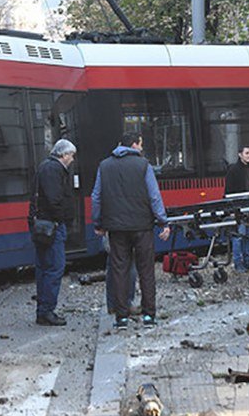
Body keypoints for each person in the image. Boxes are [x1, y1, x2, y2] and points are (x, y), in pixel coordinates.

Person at [92, 132, 171, 330]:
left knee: (119, 270)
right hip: (142, 227)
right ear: (134, 145)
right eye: (141, 144)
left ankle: (121, 318)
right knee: (146, 270)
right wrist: (163, 222)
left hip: (116, 229)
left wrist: (98, 223)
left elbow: (96, 197)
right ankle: (148, 316)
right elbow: (154, 196)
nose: (142, 148)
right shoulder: (143, 165)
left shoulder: (104, 165)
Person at [29, 139, 76, 327]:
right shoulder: (54, 170)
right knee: (55, 267)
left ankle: (43, 309)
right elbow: (55, 199)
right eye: (71, 156)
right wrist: (62, 219)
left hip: (43, 224)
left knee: (44, 267)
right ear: (64, 155)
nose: (72, 160)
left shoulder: (45, 167)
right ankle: (47, 310)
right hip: (52, 225)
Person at [224, 145, 249, 272]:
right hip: (239, 207)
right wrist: (232, 210)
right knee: (239, 235)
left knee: (248, 235)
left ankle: (247, 261)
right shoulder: (233, 170)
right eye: (247, 153)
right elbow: (228, 192)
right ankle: (238, 263)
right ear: (240, 154)